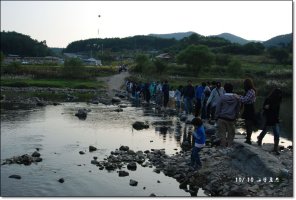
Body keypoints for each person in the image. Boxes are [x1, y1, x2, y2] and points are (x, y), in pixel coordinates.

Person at [257, 88, 282, 155]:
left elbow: (277, 111)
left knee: (276, 134)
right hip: (268, 118)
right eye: (279, 94)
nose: (280, 95)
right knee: (265, 131)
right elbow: (264, 108)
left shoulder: (278, 101)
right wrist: (265, 107)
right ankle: (259, 140)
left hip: (275, 119)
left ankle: (275, 149)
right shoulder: (268, 99)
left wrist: (278, 118)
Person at [215, 83, 240, 147]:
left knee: (222, 134)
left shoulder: (222, 97)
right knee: (231, 134)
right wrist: (236, 116)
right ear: (232, 89)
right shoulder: (236, 98)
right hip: (231, 118)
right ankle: (229, 147)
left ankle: (223, 147)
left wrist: (216, 116)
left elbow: (218, 108)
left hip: (222, 118)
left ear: (225, 89)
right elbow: (237, 109)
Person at [237, 78, 256, 145]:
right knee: (247, 124)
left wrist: (238, 97)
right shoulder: (249, 91)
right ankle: (248, 139)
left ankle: (248, 140)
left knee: (249, 124)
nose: (243, 85)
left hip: (250, 109)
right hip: (248, 108)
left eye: (244, 84)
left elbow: (245, 100)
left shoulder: (251, 91)